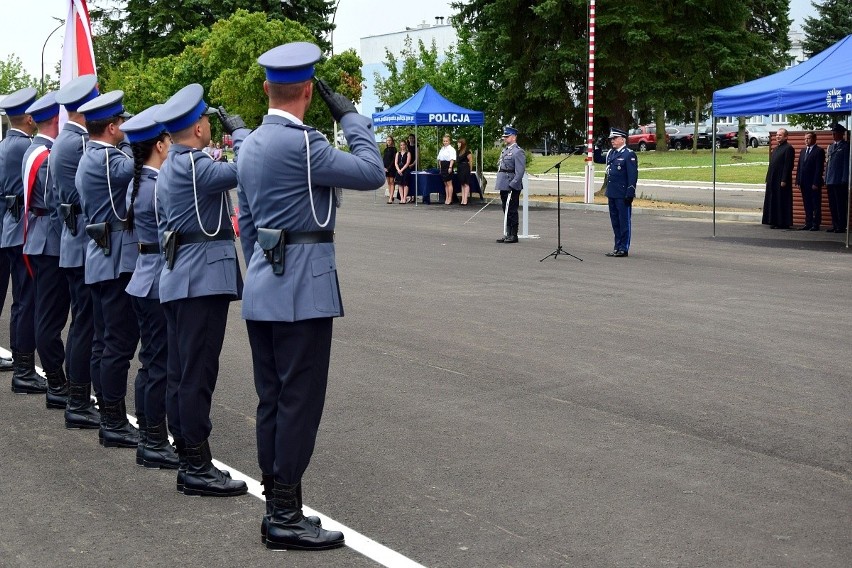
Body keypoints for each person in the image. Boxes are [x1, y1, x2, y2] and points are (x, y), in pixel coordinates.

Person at [236, 41, 385, 551]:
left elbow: (248, 225)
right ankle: (283, 515)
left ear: (266, 89)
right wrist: (352, 118)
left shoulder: (251, 143)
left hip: (263, 286)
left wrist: (265, 265)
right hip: (301, 293)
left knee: (273, 399)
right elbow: (371, 172)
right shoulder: (304, 145)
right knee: (299, 401)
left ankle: (279, 501)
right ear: (307, 90)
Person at [154, 83, 249, 497]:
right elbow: (249, 166)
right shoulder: (196, 166)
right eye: (208, 120)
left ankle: (189, 454)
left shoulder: (173, 165)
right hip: (201, 282)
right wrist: (241, 133)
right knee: (197, 374)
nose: (212, 125)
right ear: (196, 129)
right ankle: (195, 464)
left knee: (181, 373)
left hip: (181, 279)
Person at [76, 90, 141, 449]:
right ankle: (114, 421)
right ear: (113, 126)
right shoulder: (108, 159)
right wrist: (134, 136)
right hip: (115, 259)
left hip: (101, 256)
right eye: (122, 124)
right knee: (117, 343)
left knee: (104, 341)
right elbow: (137, 161)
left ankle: (109, 413)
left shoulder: (92, 156)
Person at [119, 105, 180, 470]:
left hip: (143, 276)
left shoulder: (137, 182)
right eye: (169, 139)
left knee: (150, 362)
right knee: (159, 365)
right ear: (159, 145)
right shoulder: (157, 187)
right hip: (158, 281)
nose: (171, 145)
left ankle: (148, 434)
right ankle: (154, 440)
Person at [53, 74, 102, 429]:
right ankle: (79, 399)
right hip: (86, 243)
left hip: (73, 242)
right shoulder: (81, 144)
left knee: (82, 322)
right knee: (86, 324)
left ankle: (77, 395)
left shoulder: (62, 140)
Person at [22, 91, 72, 409]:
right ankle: (56, 381)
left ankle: (55, 379)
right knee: (50, 317)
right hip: (50, 241)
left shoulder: (33, 150)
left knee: (45, 312)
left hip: (37, 236)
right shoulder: (47, 156)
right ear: (56, 119)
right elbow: (55, 205)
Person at [0, 87, 43, 392]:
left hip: (4, 228)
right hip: (18, 232)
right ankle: (24, 369)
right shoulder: (26, 148)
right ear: (29, 118)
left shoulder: (5, 145)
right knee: (25, 300)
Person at [594, 127, 638, 257]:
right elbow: (597, 159)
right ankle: (617, 246)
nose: (612, 141)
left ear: (622, 139)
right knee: (615, 222)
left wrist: (630, 192)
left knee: (624, 221)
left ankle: (624, 247)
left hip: (623, 193)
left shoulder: (628, 154)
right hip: (612, 193)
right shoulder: (611, 154)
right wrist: (597, 146)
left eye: (614, 138)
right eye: (611, 139)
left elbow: (632, 175)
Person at [495, 126, 525, 243]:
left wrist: (513, 184)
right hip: (504, 183)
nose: (504, 139)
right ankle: (507, 233)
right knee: (505, 209)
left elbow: (520, 171)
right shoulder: (506, 150)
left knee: (512, 209)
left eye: (507, 137)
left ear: (513, 137)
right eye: (504, 136)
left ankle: (513, 234)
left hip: (512, 184)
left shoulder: (518, 151)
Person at [762, 127, 795, 230]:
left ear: (786, 136)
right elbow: (771, 164)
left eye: (780, 135)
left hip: (781, 180)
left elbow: (788, 165)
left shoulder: (788, 148)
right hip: (773, 179)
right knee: (773, 200)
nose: (777, 136)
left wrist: (784, 179)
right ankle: (773, 220)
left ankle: (782, 222)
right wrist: (768, 177)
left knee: (781, 200)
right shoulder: (776, 148)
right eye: (777, 135)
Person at [795, 132, 825, 231]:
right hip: (804, 182)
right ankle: (808, 222)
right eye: (805, 138)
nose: (806, 140)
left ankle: (815, 224)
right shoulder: (803, 151)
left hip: (813, 183)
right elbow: (799, 167)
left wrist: (816, 182)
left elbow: (819, 168)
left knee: (815, 203)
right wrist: (798, 181)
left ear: (814, 139)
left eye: (808, 138)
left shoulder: (819, 151)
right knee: (807, 203)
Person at [825, 123, 849, 233]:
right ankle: (835, 224)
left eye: (835, 133)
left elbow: (846, 164)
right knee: (832, 204)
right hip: (830, 180)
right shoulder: (831, 146)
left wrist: (845, 179)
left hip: (839, 180)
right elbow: (828, 164)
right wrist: (826, 178)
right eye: (832, 133)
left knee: (840, 205)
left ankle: (841, 225)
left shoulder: (845, 146)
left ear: (841, 134)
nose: (833, 135)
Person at [438, 134, 456, 205]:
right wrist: (440, 167)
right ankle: (447, 197)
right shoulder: (442, 149)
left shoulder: (451, 149)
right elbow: (439, 158)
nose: (445, 142)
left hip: (448, 165)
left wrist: (450, 167)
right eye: (444, 141)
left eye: (446, 141)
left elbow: (452, 159)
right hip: (443, 166)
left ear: (449, 141)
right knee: (445, 183)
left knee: (449, 183)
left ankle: (450, 198)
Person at [456, 138, 472, 205]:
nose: (457, 144)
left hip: (465, 168)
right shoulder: (458, 151)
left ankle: (465, 199)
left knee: (466, 183)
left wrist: (470, 169)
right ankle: (462, 199)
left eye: (459, 143)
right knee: (462, 184)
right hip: (460, 168)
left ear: (462, 143)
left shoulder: (467, 151)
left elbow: (470, 160)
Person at [382, 135, 396, 203]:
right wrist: (384, 167)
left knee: (392, 182)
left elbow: (394, 159)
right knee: (388, 183)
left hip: (392, 167)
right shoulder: (385, 150)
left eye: (390, 140)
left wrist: (388, 168)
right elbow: (384, 159)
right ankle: (391, 195)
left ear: (392, 141)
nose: (388, 142)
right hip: (385, 168)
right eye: (387, 140)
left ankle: (390, 198)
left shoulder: (394, 149)